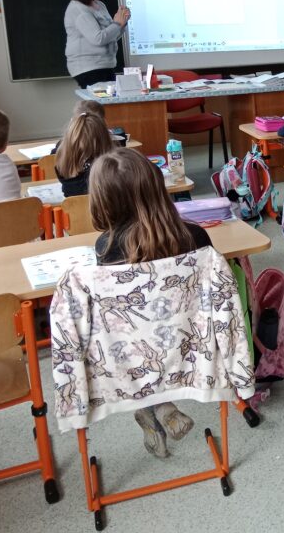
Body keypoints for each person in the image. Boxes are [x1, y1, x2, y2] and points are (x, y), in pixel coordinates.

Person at [88, 148, 210, 458]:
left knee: (131, 335)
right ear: (157, 187)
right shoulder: (195, 237)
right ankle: (162, 405)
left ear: (103, 200)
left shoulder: (105, 247)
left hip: (132, 355)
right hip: (193, 345)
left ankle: (151, 405)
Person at [64, 0, 130, 88]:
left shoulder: (100, 5)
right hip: (88, 68)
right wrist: (117, 24)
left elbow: (110, 37)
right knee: (105, 99)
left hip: (105, 65)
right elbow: (98, 38)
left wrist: (122, 22)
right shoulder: (78, 9)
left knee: (115, 98)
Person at [54, 111, 114, 197]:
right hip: (100, 203)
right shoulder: (109, 167)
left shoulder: (62, 157)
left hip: (70, 204)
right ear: (104, 139)